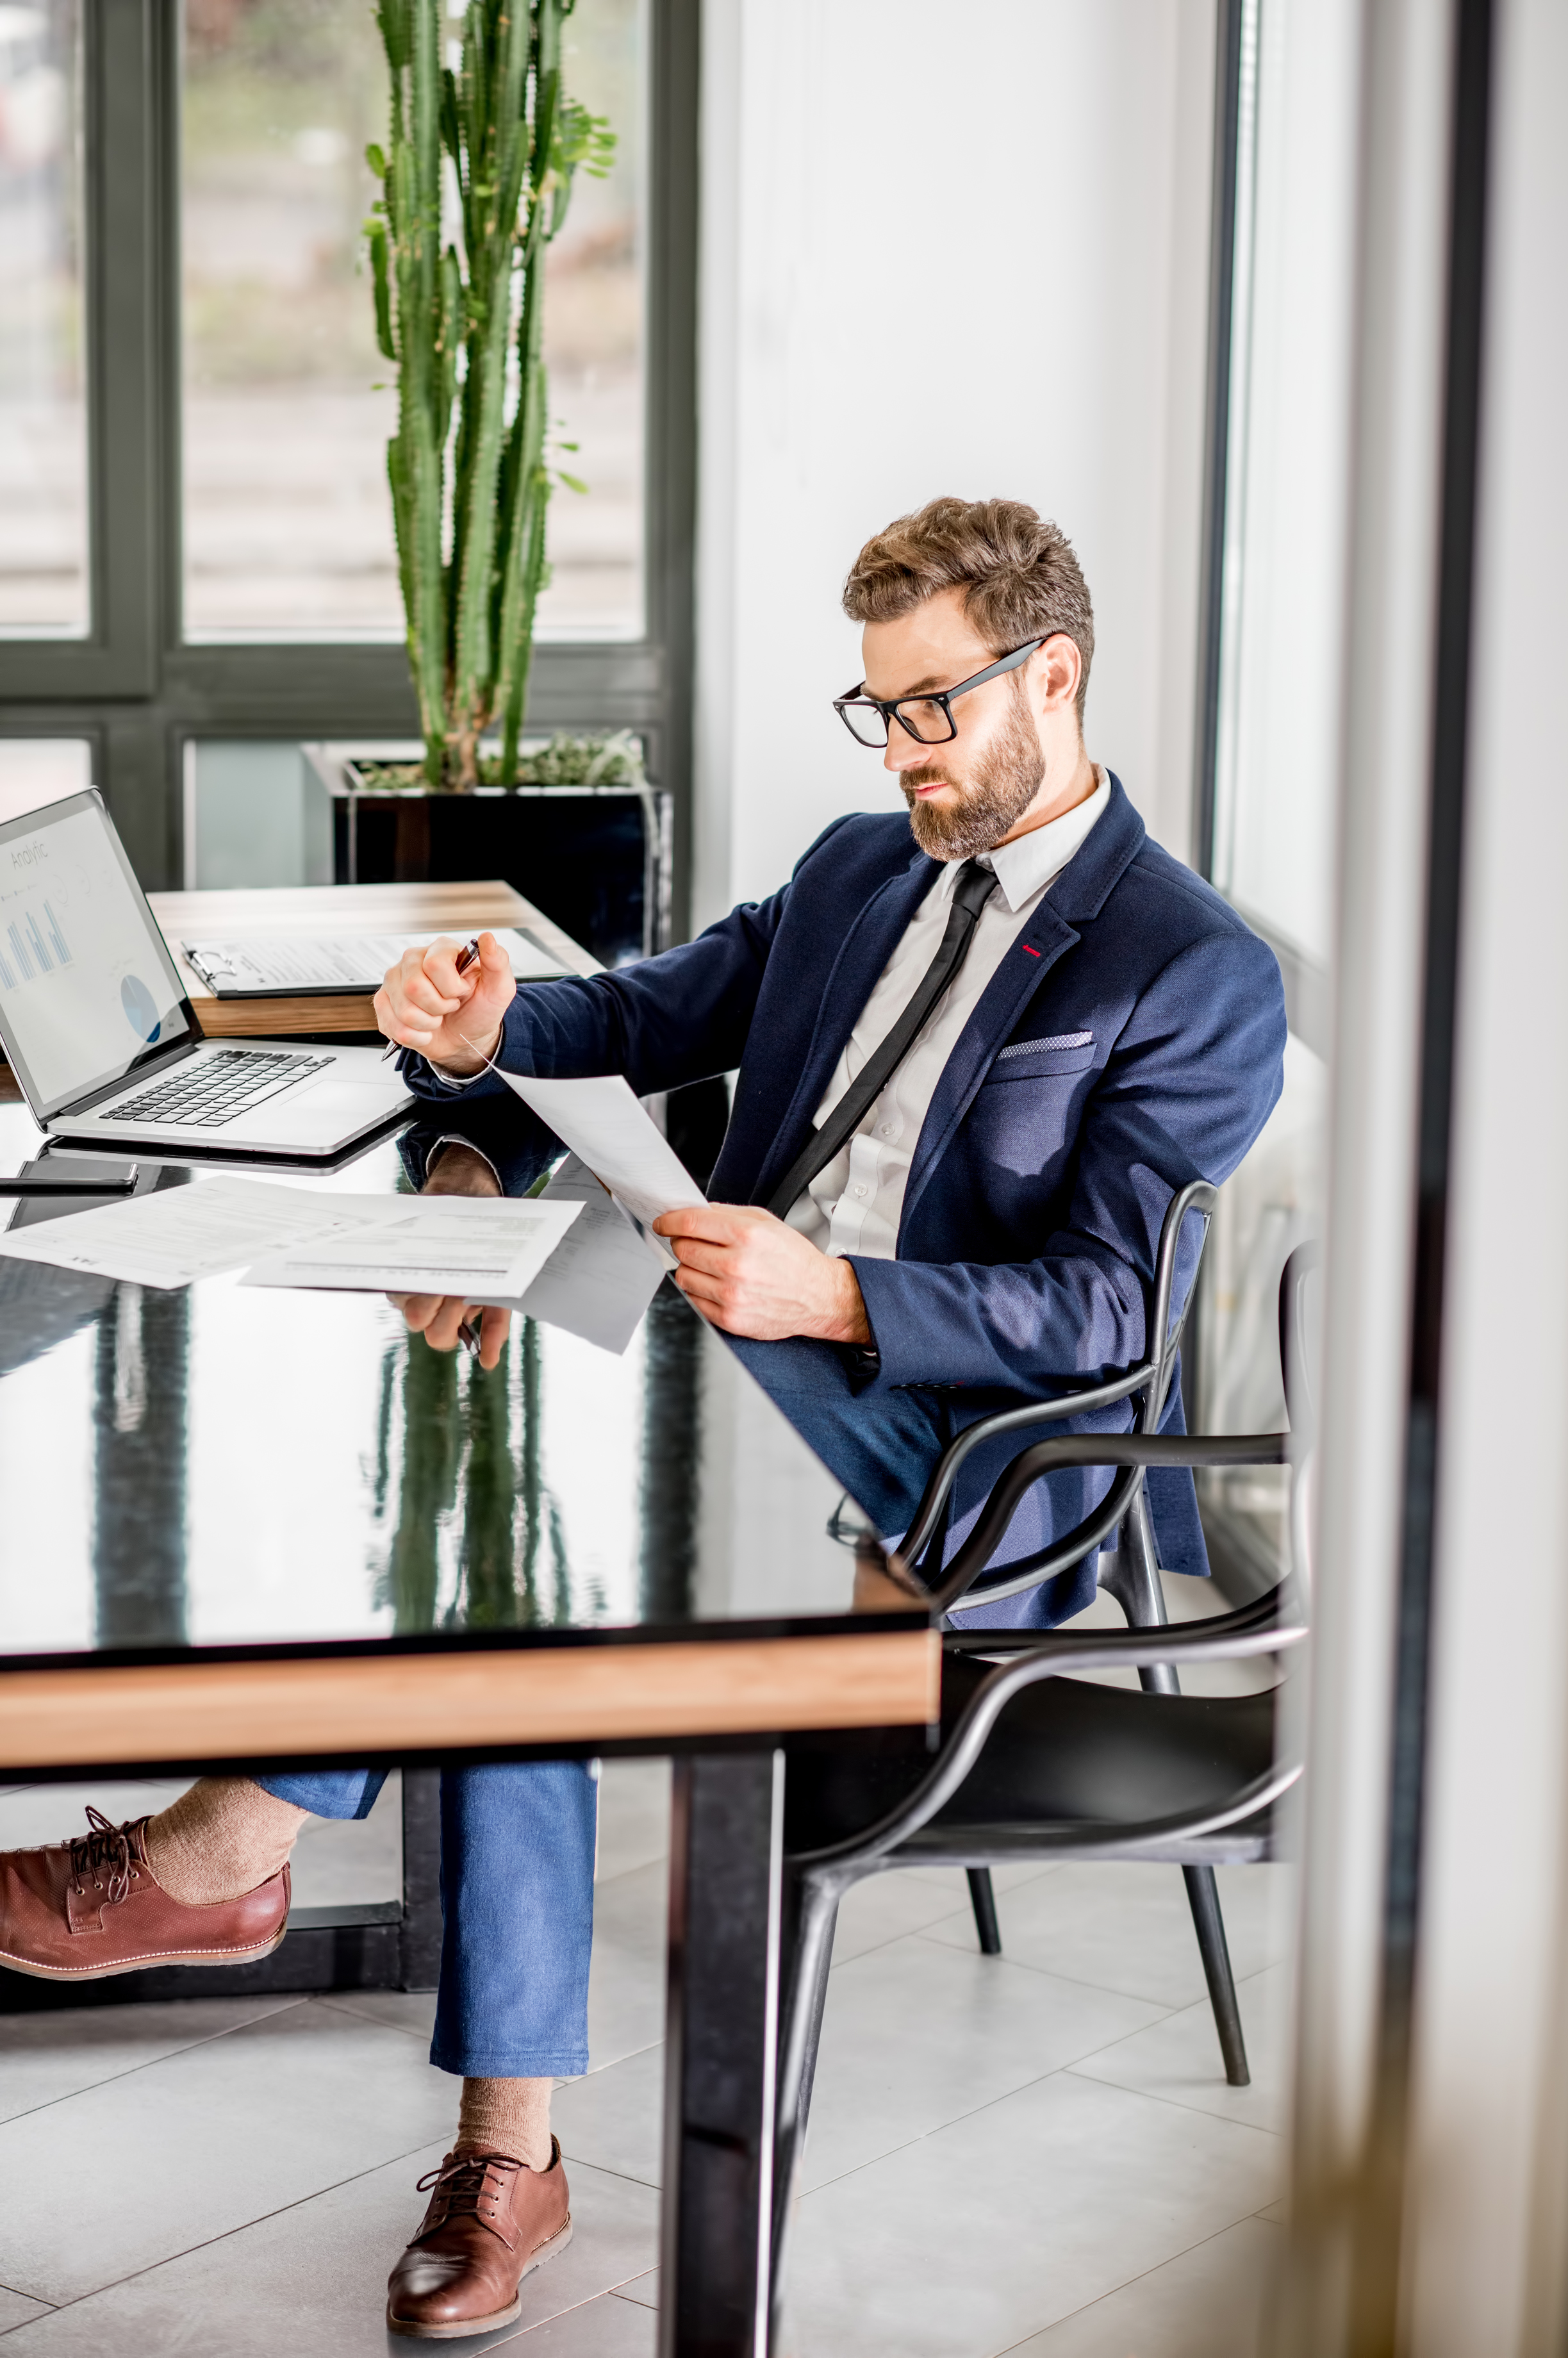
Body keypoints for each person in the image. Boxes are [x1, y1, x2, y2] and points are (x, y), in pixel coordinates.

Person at [0, 497, 1285, 2339]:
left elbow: (1101, 1309)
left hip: (945, 1450)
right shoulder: (862, 867)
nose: (906, 752)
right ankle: (490, 2137)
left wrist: (833, 1294)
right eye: (881, 710)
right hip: (728, 1338)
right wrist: (478, 1032)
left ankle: (228, 1853)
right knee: (513, 1502)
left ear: (1052, 673)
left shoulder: (1185, 969)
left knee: (542, 1501)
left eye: (932, 709)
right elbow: (650, 1012)